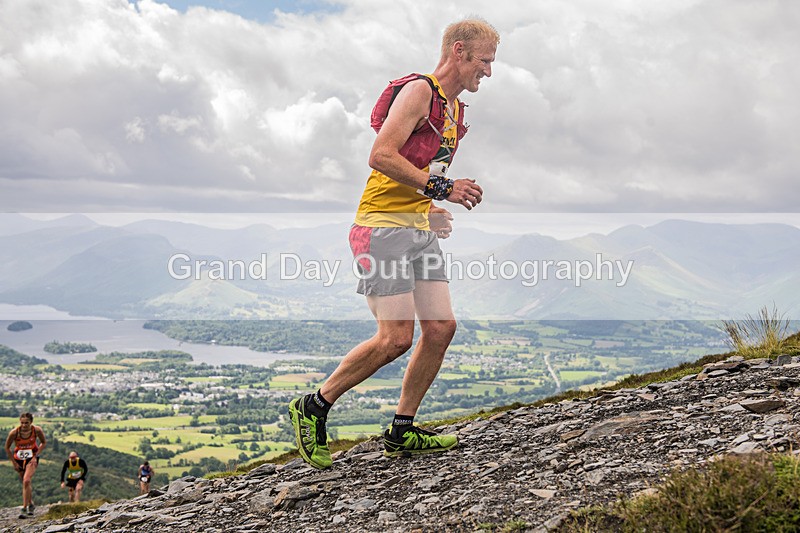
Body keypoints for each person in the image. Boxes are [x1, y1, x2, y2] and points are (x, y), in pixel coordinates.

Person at [289, 18, 499, 469]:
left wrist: (430, 208)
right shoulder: (419, 91)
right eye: (484, 61)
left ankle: (402, 431)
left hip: (415, 226)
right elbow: (381, 155)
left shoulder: (455, 110)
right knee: (395, 337)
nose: (488, 72)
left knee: (440, 329)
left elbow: (417, 173)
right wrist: (442, 190)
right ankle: (315, 406)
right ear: (459, 51)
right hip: (380, 227)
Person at [4, 412, 46, 517]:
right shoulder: (14, 433)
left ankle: (24, 508)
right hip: (18, 459)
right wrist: (13, 463)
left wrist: (36, 455)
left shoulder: (36, 430)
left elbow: (43, 442)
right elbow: (7, 448)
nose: (24, 425)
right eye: (22, 423)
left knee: (26, 480)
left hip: (31, 458)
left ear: (31, 422)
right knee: (25, 483)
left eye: (26, 423)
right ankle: (31, 504)